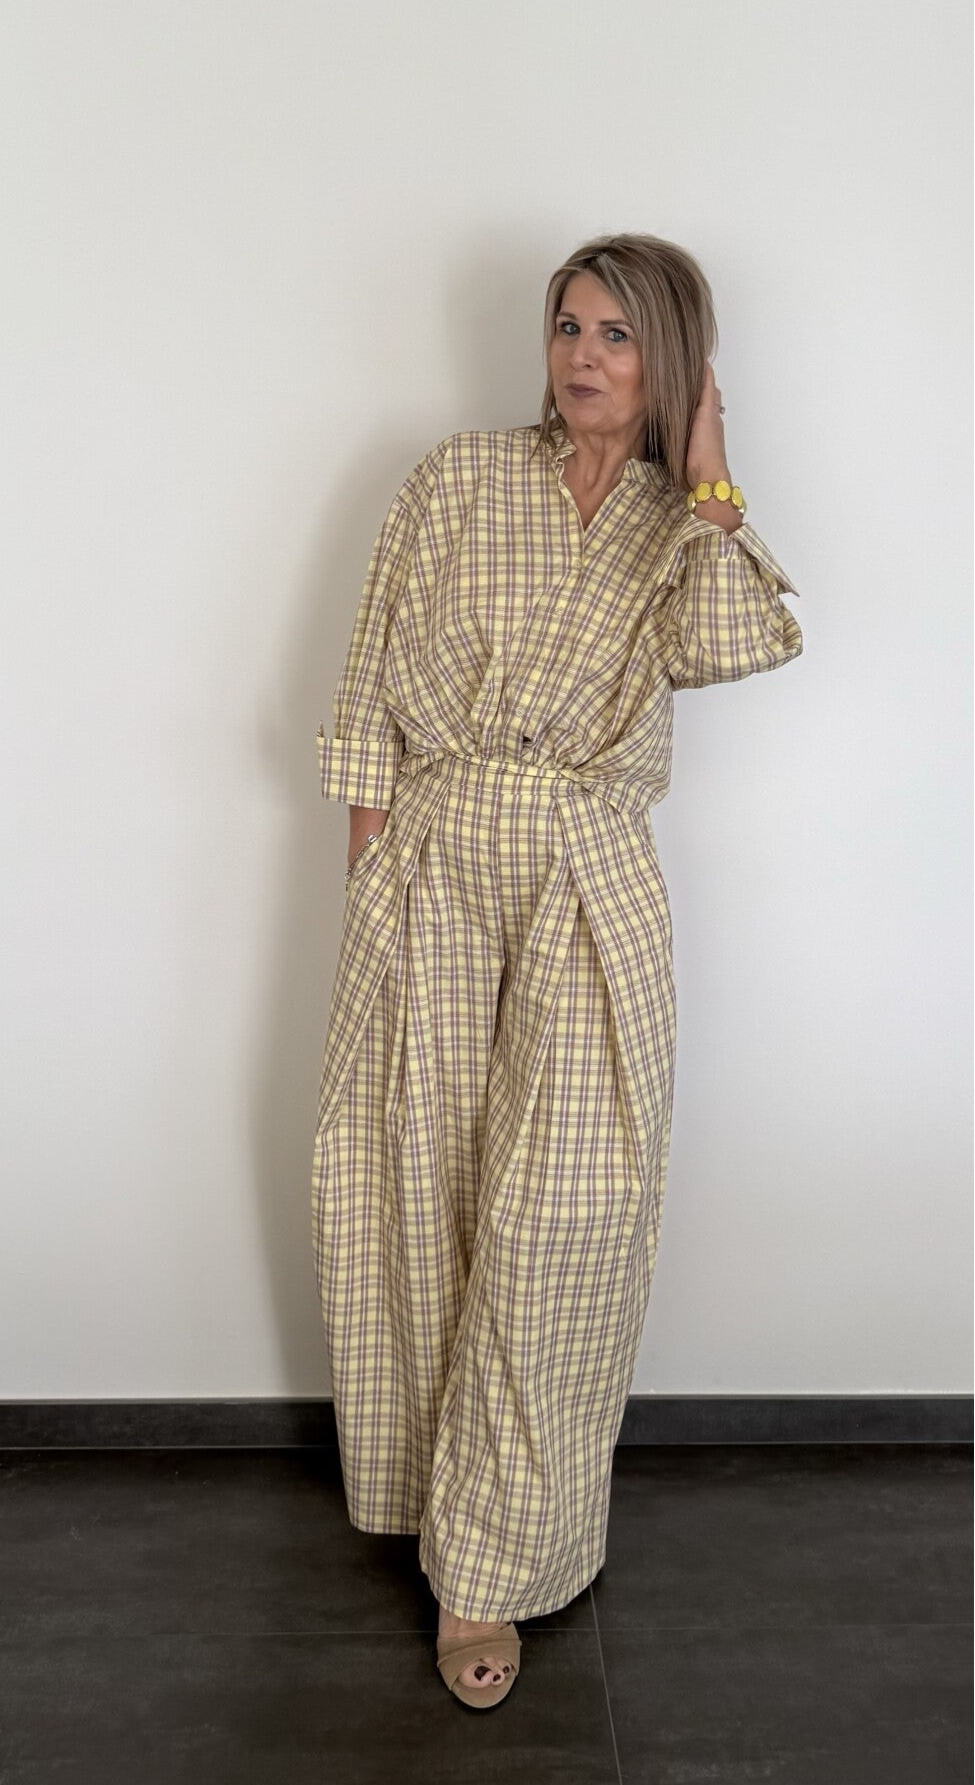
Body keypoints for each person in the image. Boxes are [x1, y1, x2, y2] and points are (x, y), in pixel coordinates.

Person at [310, 231, 803, 1709]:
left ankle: (493, 1563)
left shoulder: (681, 524)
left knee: (565, 1219)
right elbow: (368, 671)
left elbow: (731, 646)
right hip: (437, 854)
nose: (583, 357)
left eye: (619, 335)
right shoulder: (459, 477)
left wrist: (709, 471)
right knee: (413, 1178)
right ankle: (429, 1503)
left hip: (589, 870)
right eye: (568, 326)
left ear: (673, 361)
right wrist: (374, 869)